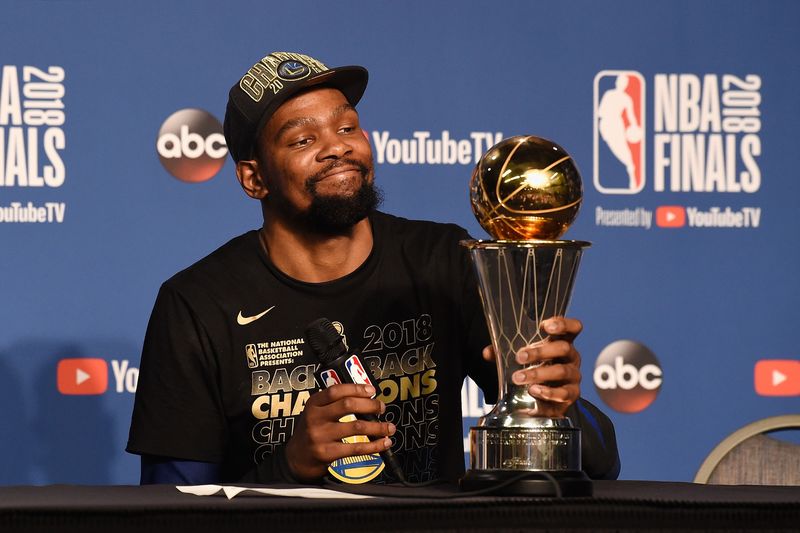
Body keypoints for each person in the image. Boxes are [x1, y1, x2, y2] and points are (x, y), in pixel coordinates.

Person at [127, 51, 620, 485]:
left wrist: (555, 404)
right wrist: (291, 467)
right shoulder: (197, 303)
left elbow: (600, 460)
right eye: (302, 140)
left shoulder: (445, 259)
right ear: (254, 179)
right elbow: (170, 508)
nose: (338, 146)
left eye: (347, 127)